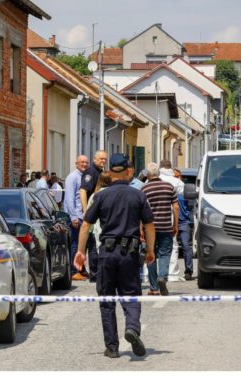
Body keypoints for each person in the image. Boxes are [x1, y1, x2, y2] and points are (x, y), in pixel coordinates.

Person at [75, 154, 155, 359]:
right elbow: (149, 225)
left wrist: (80, 252)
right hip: (129, 253)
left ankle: (112, 347)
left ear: (109, 172)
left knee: (107, 300)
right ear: (129, 171)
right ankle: (132, 328)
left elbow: (86, 224)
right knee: (131, 295)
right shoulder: (138, 196)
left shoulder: (101, 196)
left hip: (107, 254)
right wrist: (151, 251)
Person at [139, 162, 177, 296]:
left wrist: (141, 229)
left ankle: (154, 287)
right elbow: (176, 207)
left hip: (150, 228)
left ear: (148, 175)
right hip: (166, 226)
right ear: (159, 174)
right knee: (165, 253)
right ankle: (163, 277)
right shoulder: (169, 187)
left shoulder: (144, 189)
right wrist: (175, 225)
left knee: (151, 255)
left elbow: (140, 211)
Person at [78, 150, 108, 283]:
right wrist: (86, 210)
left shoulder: (100, 172)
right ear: (94, 159)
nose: (103, 161)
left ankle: (97, 273)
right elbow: (83, 190)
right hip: (92, 211)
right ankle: (95, 274)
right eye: (101, 159)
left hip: (97, 210)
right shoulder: (91, 172)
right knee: (93, 243)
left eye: (105, 159)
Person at [64, 156, 87, 280]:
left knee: (81, 245)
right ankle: (74, 271)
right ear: (76, 163)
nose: (84, 164)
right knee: (75, 244)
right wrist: (73, 217)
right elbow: (69, 199)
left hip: (81, 216)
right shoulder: (72, 177)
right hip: (75, 216)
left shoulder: (83, 176)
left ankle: (81, 269)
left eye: (86, 162)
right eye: (82, 162)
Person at [173, 169, 194, 281]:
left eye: (178, 176)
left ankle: (189, 272)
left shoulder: (184, 190)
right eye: (175, 176)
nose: (177, 178)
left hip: (183, 222)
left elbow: (193, 203)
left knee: (186, 246)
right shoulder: (170, 188)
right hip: (171, 222)